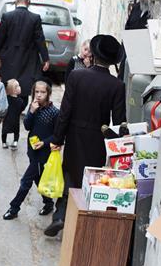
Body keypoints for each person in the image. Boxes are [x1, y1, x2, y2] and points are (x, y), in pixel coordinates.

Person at [45, 34, 127, 236]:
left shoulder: (76, 76)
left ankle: (60, 215)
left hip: (74, 134)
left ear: (94, 56)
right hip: (98, 139)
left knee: (70, 175)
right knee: (91, 179)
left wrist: (57, 138)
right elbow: (119, 122)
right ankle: (82, 224)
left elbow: (65, 111)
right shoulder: (117, 85)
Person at [0, 0, 50, 130]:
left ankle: (7, 111)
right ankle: (18, 110)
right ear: (28, 2)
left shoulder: (7, 16)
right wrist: (46, 59)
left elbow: (0, 38)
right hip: (28, 59)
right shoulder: (35, 18)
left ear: (15, 0)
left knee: (8, 85)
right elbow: (40, 40)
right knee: (24, 87)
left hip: (8, 58)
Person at [3, 79, 58, 220]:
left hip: (43, 153)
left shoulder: (54, 112)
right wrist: (32, 111)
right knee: (38, 179)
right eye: (36, 92)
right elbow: (27, 126)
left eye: (43, 92)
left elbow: (57, 135)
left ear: (49, 94)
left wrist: (44, 143)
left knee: (26, 181)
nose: (39, 95)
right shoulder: (33, 107)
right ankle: (48, 203)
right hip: (32, 151)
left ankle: (14, 208)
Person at [0, 79, 24, 149]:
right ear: (14, 90)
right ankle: (15, 142)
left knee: (4, 131)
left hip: (6, 119)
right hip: (15, 119)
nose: (20, 87)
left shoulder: (6, 99)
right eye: (17, 86)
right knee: (16, 131)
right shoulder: (20, 101)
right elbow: (22, 108)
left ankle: (4, 143)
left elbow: (3, 106)